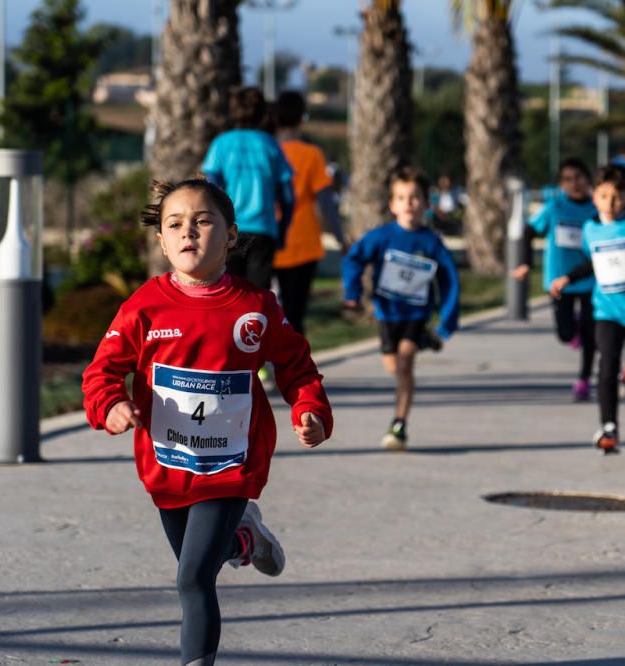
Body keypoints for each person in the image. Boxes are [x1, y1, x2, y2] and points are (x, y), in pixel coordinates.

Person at [82, 178, 332, 666]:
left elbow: (297, 366)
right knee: (199, 564)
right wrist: (110, 405)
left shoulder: (255, 307)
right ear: (161, 240)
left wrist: (311, 411)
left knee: (192, 578)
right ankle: (246, 538)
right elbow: (102, 370)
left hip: (232, 464)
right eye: (174, 224)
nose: (187, 232)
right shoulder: (144, 307)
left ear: (231, 236)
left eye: (202, 221)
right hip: (167, 465)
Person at [553, 165, 625, 454]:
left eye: (617, 197)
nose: (610, 203)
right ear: (595, 197)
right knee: (607, 364)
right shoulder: (591, 229)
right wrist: (568, 278)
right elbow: (591, 262)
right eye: (604, 196)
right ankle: (609, 427)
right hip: (607, 310)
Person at [342, 166, 460, 450]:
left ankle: (399, 424)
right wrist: (353, 292)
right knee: (393, 367)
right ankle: (420, 354)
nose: (409, 203)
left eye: (416, 197)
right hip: (387, 314)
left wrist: (447, 322)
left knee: (405, 365)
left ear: (427, 203)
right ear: (392, 204)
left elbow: (449, 281)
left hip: (416, 314)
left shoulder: (432, 242)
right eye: (402, 197)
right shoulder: (381, 236)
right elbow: (354, 259)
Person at [512, 158, 598, 401]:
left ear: (588, 181)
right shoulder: (555, 207)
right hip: (558, 280)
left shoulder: (595, 209)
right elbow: (529, 230)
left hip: (590, 278)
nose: (575, 184)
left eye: (580, 178)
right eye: (568, 179)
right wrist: (526, 263)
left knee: (591, 336)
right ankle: (575, 331)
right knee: (564, 333)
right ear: (561, 184)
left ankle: (583, 379)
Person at [202, 86, 294, 290]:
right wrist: (283, 229)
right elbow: (287, 196)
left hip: (229, 230)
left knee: (227, 290)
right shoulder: (270, 144)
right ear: (263, 113)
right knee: (257, 295)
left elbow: (209, 188)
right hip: (264, 230)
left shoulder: (222, 143)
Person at [272, 90, 346, 336]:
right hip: (304, 245)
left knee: (263, 313)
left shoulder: (266, 151)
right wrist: (340, 237)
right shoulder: (312, 155)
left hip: (268, 243)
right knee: (295, 315)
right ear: (302, 119)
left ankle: (263, 364)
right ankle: (294, 371)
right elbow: (326, 202)